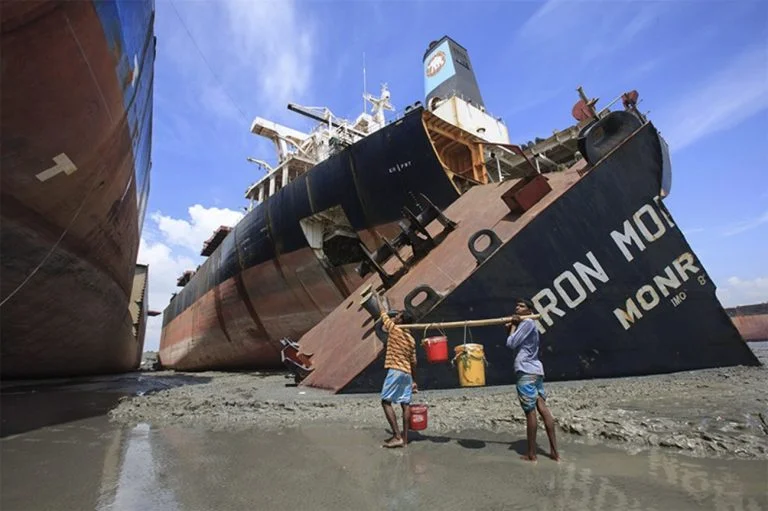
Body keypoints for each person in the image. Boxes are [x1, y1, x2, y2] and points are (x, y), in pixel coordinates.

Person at [506, 298, 560, 462]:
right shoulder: (530, 325)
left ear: (530, 310)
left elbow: (511, 343)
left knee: (530, 412)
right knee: (542, 408)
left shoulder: (527, 323)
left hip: (526, 371)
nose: (517, 307)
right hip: (536, 371)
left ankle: (532, 454)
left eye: (522, 306)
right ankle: (554, 453)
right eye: (517, 305)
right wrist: (512, 328)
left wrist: (514, 326)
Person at [376, 295, 418, 448]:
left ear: (401, 320)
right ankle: (405, 439)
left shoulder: (394, 330)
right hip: (406, 373)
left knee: (385, 401)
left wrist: (378, 300)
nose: (396, 318)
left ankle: (396, 436)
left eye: (399, 316)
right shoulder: (411, 339)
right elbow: (414, 361)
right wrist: (414, 380)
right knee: (405, 404)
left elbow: (383, 317)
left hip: (395, 370)